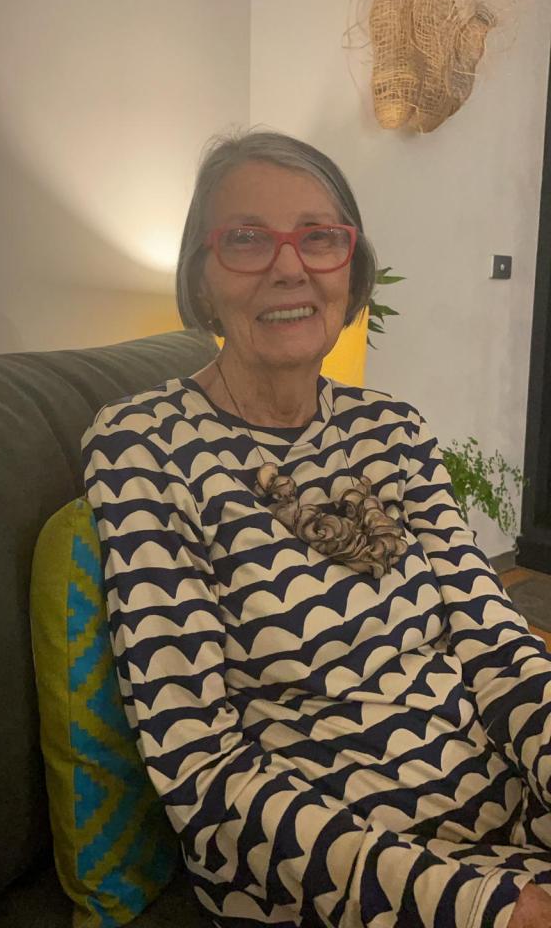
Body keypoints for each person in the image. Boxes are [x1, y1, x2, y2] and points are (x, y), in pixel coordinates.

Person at [82, 130, 551, 928]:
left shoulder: (393, 428)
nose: (289, 265)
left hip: (505, 811)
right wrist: (486, 907)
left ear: (351, 269)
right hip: (330, 876)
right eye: (246, 239)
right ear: (201, 279)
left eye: (319, 236)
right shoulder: (143, 445)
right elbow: (199, 763)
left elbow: (494, 640)